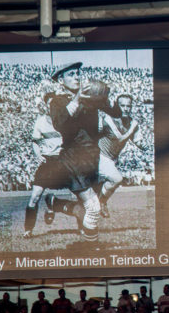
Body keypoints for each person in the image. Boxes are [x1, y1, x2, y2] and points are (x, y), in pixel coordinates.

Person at [45, 62, 107, 243]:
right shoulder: (57, 101)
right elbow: (61, 124)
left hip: (92, 157)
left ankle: (55, 203)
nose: (77, 77)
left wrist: (105, 96)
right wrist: (78, 99)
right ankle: (90, 248)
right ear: (61, 80)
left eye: (78, 73)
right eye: (71, 74)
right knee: (94, 207)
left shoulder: (89, 99)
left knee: (85, 208)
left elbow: (114, 113)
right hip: (72, 159)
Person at [23, 93, 63, 238]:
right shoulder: (40, 122)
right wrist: (38, 155)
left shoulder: (66, 121)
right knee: (34, 196)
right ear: (46, 105)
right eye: (50, 104)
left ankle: (53, 204)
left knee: (81, 194)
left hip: (64, 161)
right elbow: (35, 141)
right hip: (47, 161)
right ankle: (28, 230)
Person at [97, 94, 139, 218]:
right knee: (117, 179)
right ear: (117, 106)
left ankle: (54, 202)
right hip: (100, 156)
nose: (126, 108)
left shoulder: (131, 122)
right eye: (122, 105)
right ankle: (102, 202)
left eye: (128, 106)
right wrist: (132, 129)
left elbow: (138, 141)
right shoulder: (109, 119)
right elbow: (120, 139)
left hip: (111, 158)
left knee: (87, 198)